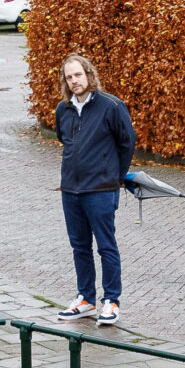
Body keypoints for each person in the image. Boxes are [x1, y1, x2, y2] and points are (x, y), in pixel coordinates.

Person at [55, 50, 135, 325]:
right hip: (71, 190)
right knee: (79, 246)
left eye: (78, 74)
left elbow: (127, 143)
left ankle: (111, 301)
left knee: (106, 246)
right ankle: (86, 298)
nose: (74, 80)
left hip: (101, 189)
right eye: (69, 77)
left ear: (89, 75)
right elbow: (65, 140)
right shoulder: (62, 109)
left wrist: (116, 176)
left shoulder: (111, 106)